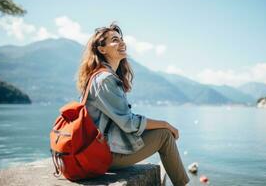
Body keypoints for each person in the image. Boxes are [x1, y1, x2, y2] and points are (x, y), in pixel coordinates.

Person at [76, 23, 189, 186]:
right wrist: (165, 124)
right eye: (115, 40)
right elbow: (128, 123)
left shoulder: (100, 76)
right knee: (164, 134)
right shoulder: (105, 79)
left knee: (162, 132)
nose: (122, 43)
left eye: (122, 39)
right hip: (104, 155)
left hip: (98, 151)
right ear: (102, 49)